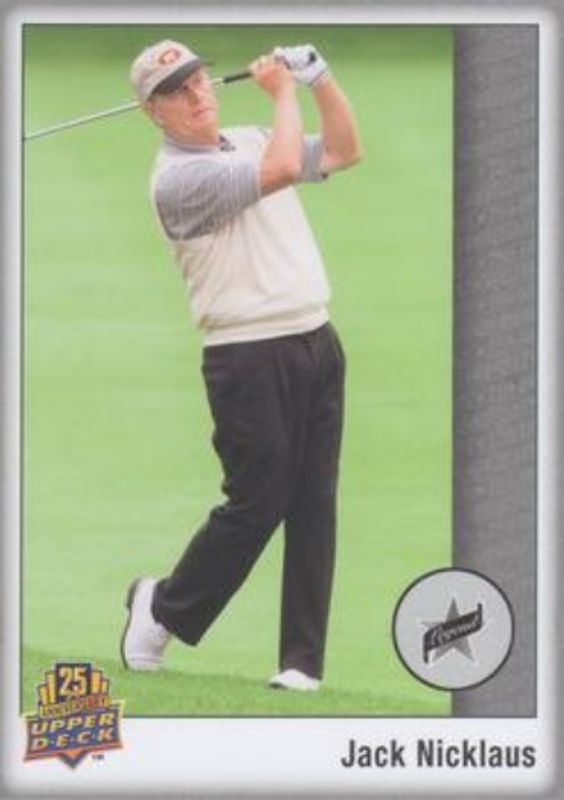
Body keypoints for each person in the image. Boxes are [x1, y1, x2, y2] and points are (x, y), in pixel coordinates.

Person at [121, 39, 362, 691]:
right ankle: (162, 607)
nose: (196, 93)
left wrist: (319, 79)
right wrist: (283, 92)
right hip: (247, 354)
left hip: (315, 337)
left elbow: (343, 151)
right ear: (152, 112)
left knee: (314, 502)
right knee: (257, 502)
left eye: (198, 79)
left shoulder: (251, 137)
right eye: (175, 91)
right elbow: (281, 168)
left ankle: (300, 663)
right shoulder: (177, 180)